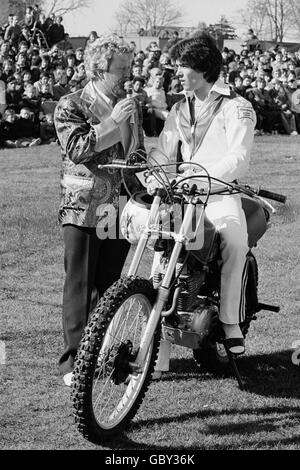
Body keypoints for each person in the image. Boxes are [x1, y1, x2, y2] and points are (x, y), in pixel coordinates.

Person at [146, 33, 257, 355]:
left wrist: (204, 177)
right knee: (161, 252)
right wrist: (153, 175)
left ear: (202, 69)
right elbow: (164, 151)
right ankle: (156, 324)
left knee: (235, 243)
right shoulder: (179, 107)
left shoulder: (237, 106)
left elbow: (239, 157)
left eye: (183, 66)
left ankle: (230, 322)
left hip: (220, 195)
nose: (177, 72)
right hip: (181, 197)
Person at [54, 34, 145, 387]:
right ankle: (73, 363)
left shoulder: (128, 104)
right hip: (83, 208)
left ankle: (101, 353)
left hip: (119, 208)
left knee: (108, 288)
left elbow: (136, 153)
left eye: (129, 67)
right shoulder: (71, 104)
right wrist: (111, 123)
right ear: (99, 67)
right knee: (80, 285)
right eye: (121, 68)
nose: (127, 74)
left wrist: (143, 191)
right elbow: (78, 148)